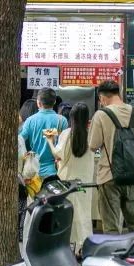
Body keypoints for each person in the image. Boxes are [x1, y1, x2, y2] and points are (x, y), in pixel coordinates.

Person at [88, 81, 134, 234]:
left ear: (102, 98)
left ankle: (114, 256)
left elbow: (93, 145)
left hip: (109, 176)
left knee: (111, 226)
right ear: (118, 93)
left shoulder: (101, 115)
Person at [46, 102, 96, 250]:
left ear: (72, 117)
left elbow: (57, 154)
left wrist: (49, 141)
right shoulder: (92, 134)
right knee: (84, 213)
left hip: (67, 181)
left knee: (68, 212)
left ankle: (68, 245)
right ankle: (84, 245)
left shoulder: (67, 133)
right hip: (85, 181)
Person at [19, 88, 68, 181]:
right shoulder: (62, 120)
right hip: (55, 171)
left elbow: (20, 139)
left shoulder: (30, 121)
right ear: (54, 102)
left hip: (33, 171)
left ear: (38, 103)